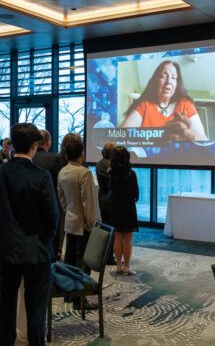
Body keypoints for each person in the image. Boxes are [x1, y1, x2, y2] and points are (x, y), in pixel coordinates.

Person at [0, 123, 59, 346]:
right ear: (33, 146)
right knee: (35, 310)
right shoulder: (41, 176)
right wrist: (46, 242)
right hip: (36, 250)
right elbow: (52, 217)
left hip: (7, 247)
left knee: (6, 307)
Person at [57, 133, 101, 310]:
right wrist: (91, 223)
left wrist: (69, 210)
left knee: (70, 259)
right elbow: (88, 202)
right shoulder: (84, 173)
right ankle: (80, 299)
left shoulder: (63, 171)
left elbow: (61, 196)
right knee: (83, 263)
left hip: (70, 219)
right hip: (83, 224)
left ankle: (70, 294)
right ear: (81, 153)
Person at [121, 61, 208, 141]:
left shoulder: (186, 104)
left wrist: (189, 136)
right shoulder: (144, 105)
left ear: (177, 84)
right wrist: (162, 133)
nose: (169, 81)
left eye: (174, 78)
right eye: (163, 76)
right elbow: (121, 136)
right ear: (155, 81)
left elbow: (202, 139)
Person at [32, 129, 64, 261]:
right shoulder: (54, 159)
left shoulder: (30, 158)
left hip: (32, 206)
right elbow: (59, 183)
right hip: (50, 204)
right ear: (48, 143)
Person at [108, 146, 139, 276]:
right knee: (128, 239)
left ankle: (118, 266)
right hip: (128, 207)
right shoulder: (131, 174)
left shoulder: (110, 173)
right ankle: (126, 266)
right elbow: (136, 193)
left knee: (117, 237)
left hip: (115, 207)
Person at [95, 141, 116, 265]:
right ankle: (109, 257)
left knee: (105, 228)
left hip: (102, 199)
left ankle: (105, 255)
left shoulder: (98, 164)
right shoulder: (112, 166)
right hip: (110, 200)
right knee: (111, 229)